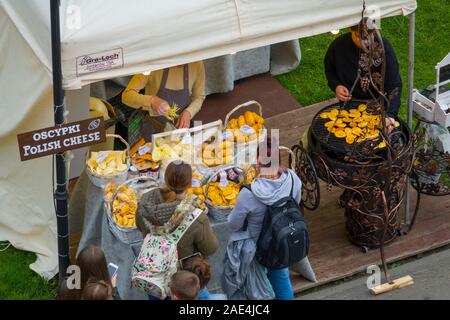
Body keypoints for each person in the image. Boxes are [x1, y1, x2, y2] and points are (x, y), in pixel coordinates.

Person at [228, 137, 302, 300]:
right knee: (281, 275)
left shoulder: (248, 194)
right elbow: (295, 204)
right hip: (283, 239)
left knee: (259, 283)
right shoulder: (293, 179)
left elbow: (234, 225)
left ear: (257, 161)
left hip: (257, 246)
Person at [324, 18, 402, 131]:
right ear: (350, 30)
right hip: (349, 106)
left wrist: (390, 115)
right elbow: (330, 70)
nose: (364, 42)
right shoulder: (338, 47)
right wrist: (336, 86)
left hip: (378, 105)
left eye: (368, 37)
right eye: (358, 36)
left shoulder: (384, 49)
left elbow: (394, 85)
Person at [136, 161, 219, 267]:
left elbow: (139, 226)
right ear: (189, 184)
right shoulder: (197, 218)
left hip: (152, 261)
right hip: (181, 273)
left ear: (165, 179)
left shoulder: (143, 203)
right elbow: (210, 249)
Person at [122, 61, 206, 133]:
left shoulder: (197, 63)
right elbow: (127, 95)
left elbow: (198, 97)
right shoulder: (152, 64)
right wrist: (151, 101)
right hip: (153, 128)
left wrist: (188, 113)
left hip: (181, 129)